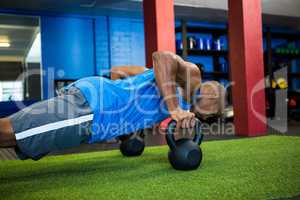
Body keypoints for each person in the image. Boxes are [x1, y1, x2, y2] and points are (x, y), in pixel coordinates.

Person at [0, 51, 225, 160]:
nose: (217, 95)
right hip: (93, 108)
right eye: (217, 94)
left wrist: (127, 130)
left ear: (206, 117)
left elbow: (117, 72)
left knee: (15, 138)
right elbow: (163, 57)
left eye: (217, 105)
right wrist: (174, 107)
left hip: (93, 119)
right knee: (9, 131)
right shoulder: (192, 78)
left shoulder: (177, 104)